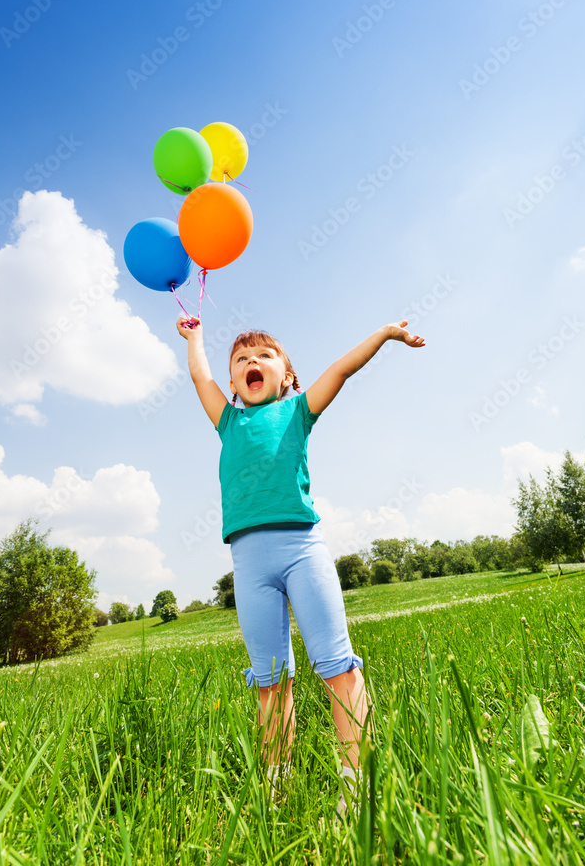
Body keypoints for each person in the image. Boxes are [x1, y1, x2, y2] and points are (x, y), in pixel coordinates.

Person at [176, 315, 425, 819]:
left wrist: (382, 334)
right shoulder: (228, 420)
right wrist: (194, 338)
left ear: (286, 377)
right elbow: (200, 378)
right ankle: (276, 783)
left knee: (337, 665)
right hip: (248, 563)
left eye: (264, 356)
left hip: (302, 550)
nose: (251, 362)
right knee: (270, 680)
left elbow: (341, 370)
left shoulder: (298, 411)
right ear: (233, 383)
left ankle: (357, 785)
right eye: (241, 359)